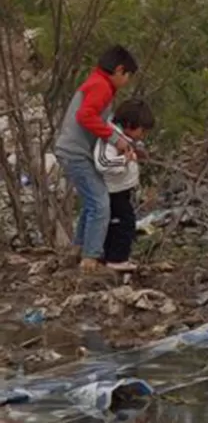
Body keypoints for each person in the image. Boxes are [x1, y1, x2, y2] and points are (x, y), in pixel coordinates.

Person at [54, 46, 138, 271]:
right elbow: (85, 116)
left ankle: (79, 248)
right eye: (128, 76)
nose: (127, 81)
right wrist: (116, 140)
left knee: (92, 202)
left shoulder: (96, 83)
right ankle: (90, 260)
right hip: (75, 153)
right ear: (119, 70)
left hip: (73, 151)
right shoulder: (101, 86)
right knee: (100, 203)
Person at [94, 99, 153, 272]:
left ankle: (110, 256)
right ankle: (117, 258)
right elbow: (103, 163)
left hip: (122, 189)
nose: (143, 136)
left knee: (118, 222)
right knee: (124, 223)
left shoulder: (126, 138)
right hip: (113, 190)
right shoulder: (111, 139)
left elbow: (133, 147)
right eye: (142, 131)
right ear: (129, 125)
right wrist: (124, 161)